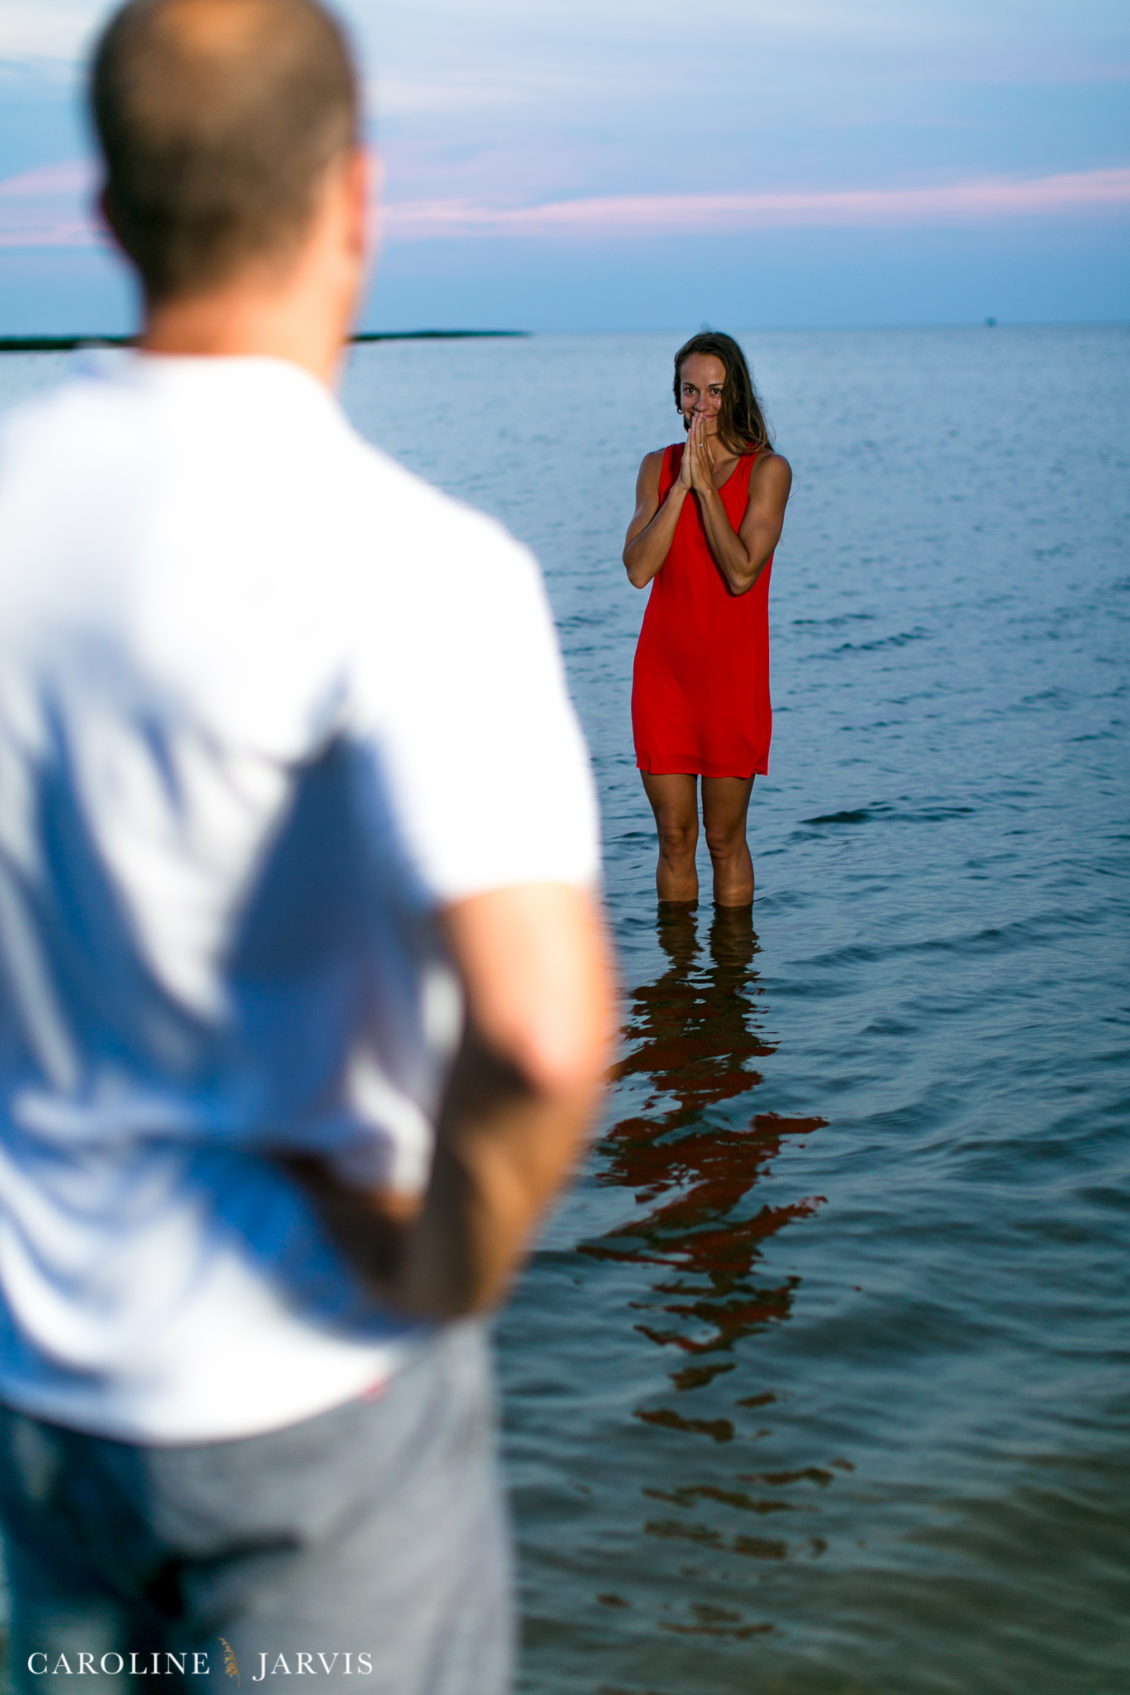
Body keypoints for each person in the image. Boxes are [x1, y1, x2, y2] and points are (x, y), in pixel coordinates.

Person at [0, 1, 613, 1689]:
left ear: (111, 214)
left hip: (36, 1397)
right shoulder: (417, 568)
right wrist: (440, 1264)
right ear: (358, 199)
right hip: (317, 1401)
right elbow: (545, 1027)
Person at [623, 332, 792, 906]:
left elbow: (741, 573)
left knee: (723, 839)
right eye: (691, 391)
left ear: (735, 393)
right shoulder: (656, 467)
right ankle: (675, 986)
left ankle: (729, 988)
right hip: (664, 679)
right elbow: (639, 570)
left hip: (730, 681)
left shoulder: (768, 470)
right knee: (674, 839)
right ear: (676, 398)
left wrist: (707, 493)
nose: (703, 405)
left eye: (716, 391)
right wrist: (679, 492)